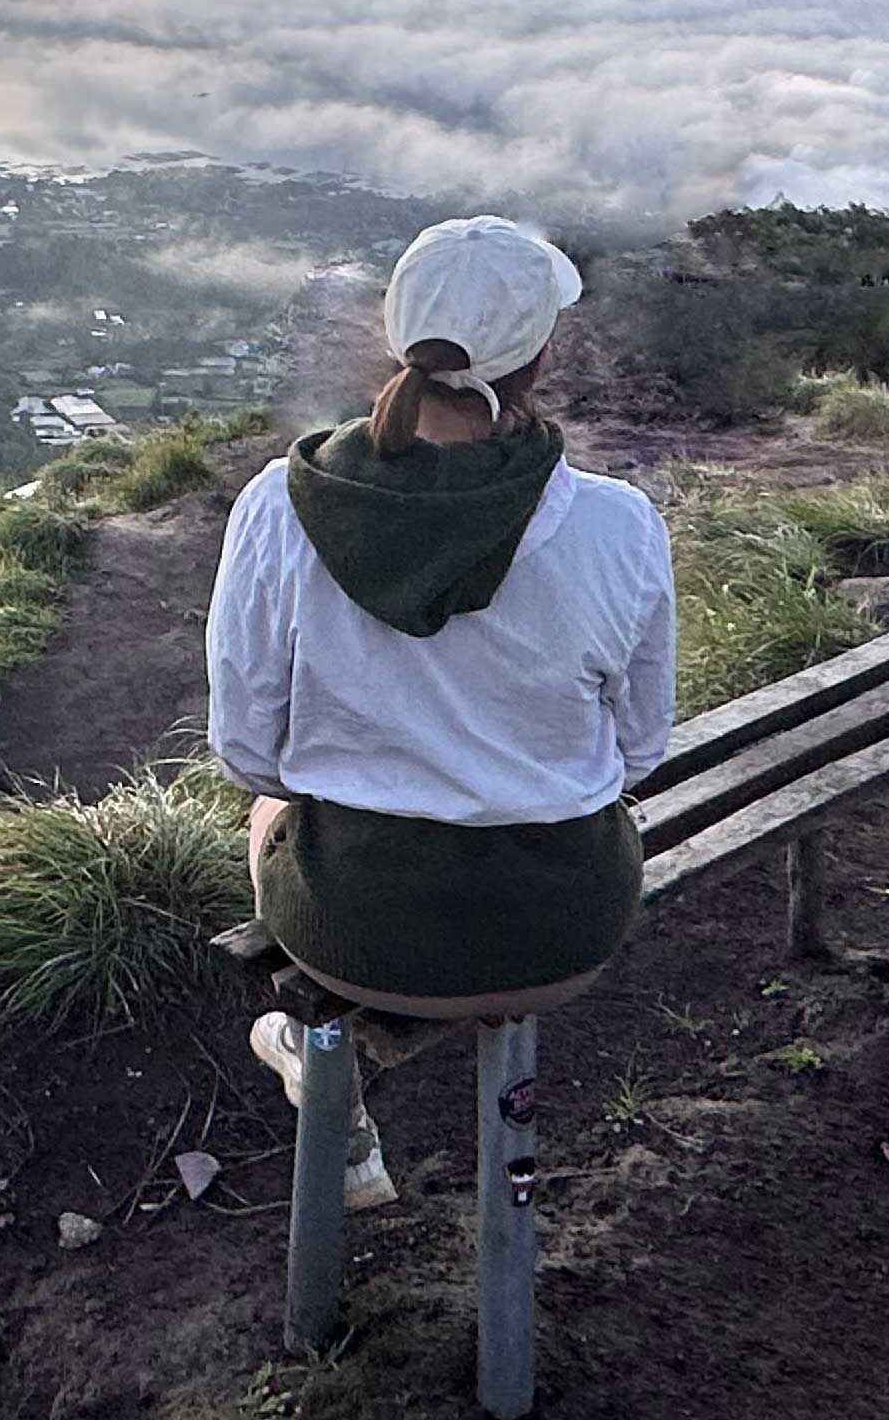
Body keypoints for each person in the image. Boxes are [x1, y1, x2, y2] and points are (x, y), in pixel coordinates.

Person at [206, 215, 677, 1206]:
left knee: (268, 811)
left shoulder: (277, 506)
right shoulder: (618, 525)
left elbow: (249, 752)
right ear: (543, 355)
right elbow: (639, 750)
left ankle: (331, 1101)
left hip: (361, 934)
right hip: (562, 927)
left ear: (395, 339)